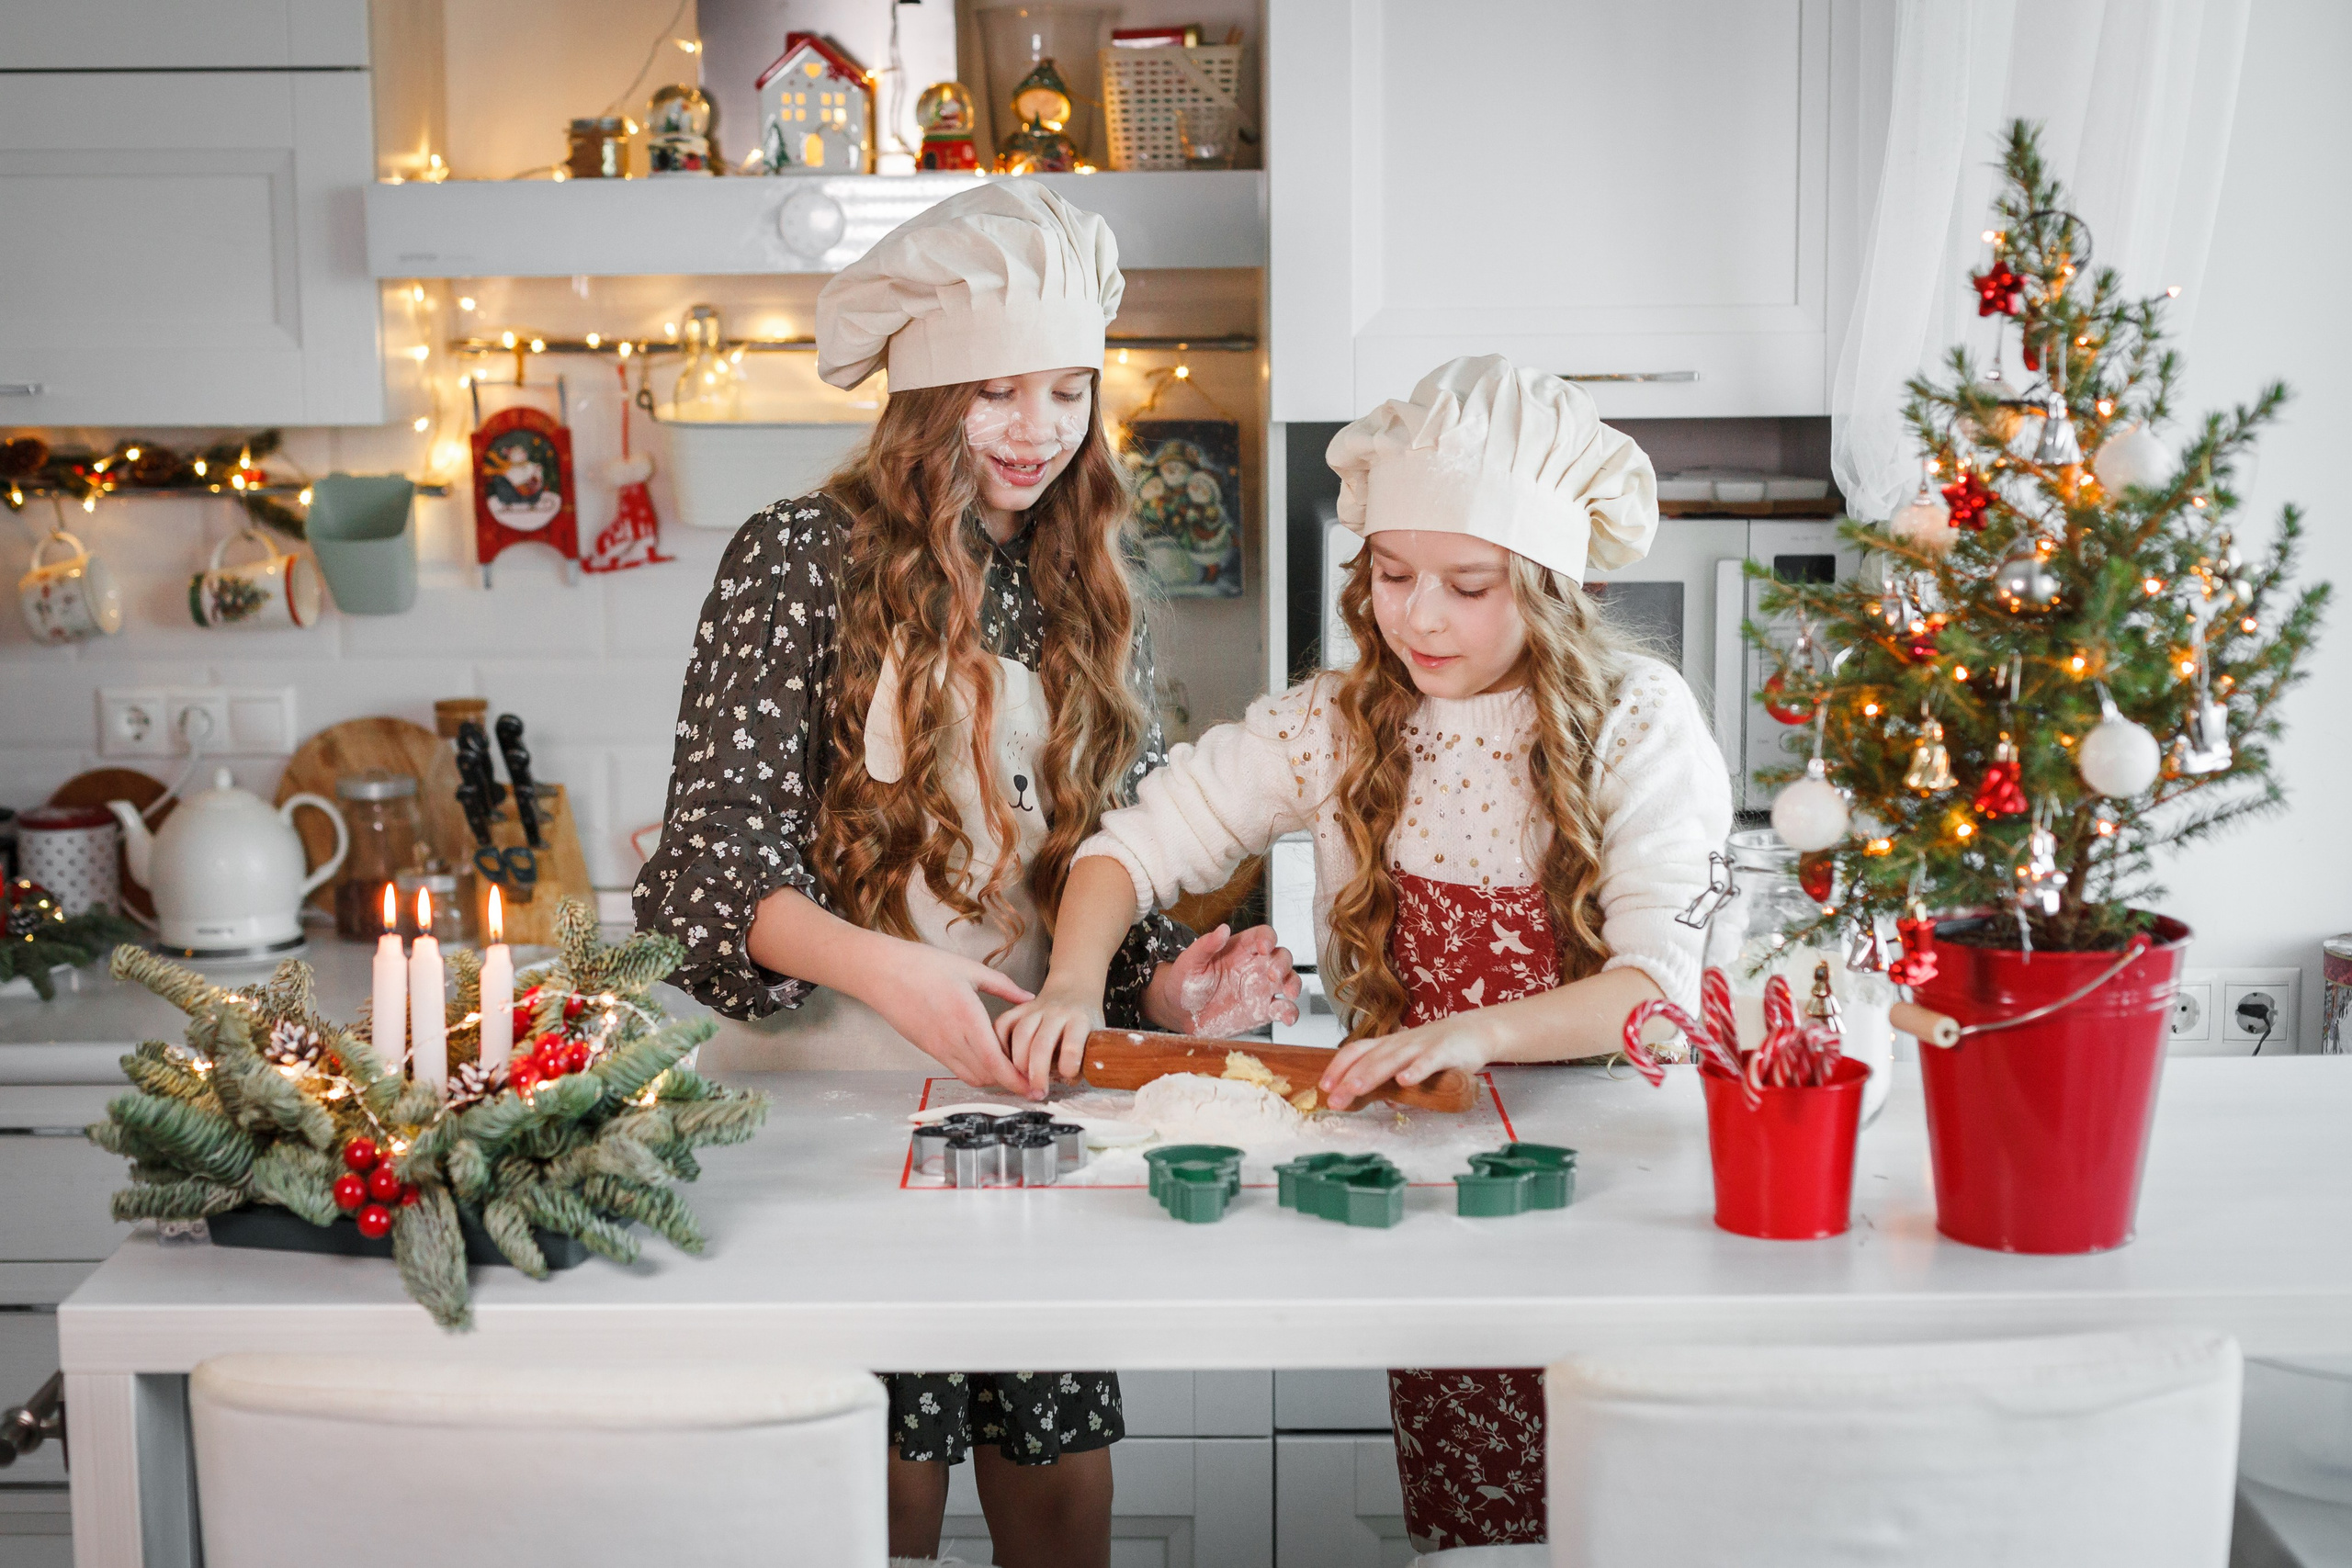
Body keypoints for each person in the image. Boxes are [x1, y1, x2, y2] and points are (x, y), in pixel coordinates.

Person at [634, 182, 1299, 1568]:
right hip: (822, 1125)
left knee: (1060, 1497)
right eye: (996, 391)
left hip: (1024, 1121)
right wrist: (904, 979)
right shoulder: (797, 562)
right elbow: (707, 880)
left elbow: (1108, 880)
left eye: (1067, 391)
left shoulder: (1086, 589)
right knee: (876, 1500)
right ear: (925, 394)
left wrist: (1173, 979)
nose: (1038, 430)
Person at [999, 354, 1734, 1553]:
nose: (1421, 617)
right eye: (1393, 575)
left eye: (1468, 584)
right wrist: (1076, 978)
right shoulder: (1340, 725)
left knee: (1628, 1523)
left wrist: (1479, 1030)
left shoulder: (1639, 723)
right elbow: (1131, 846)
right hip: (1442, 1204)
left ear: (1547, 581)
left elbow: (1658, 995)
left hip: (1624, 1207)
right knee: (1471, 1530)